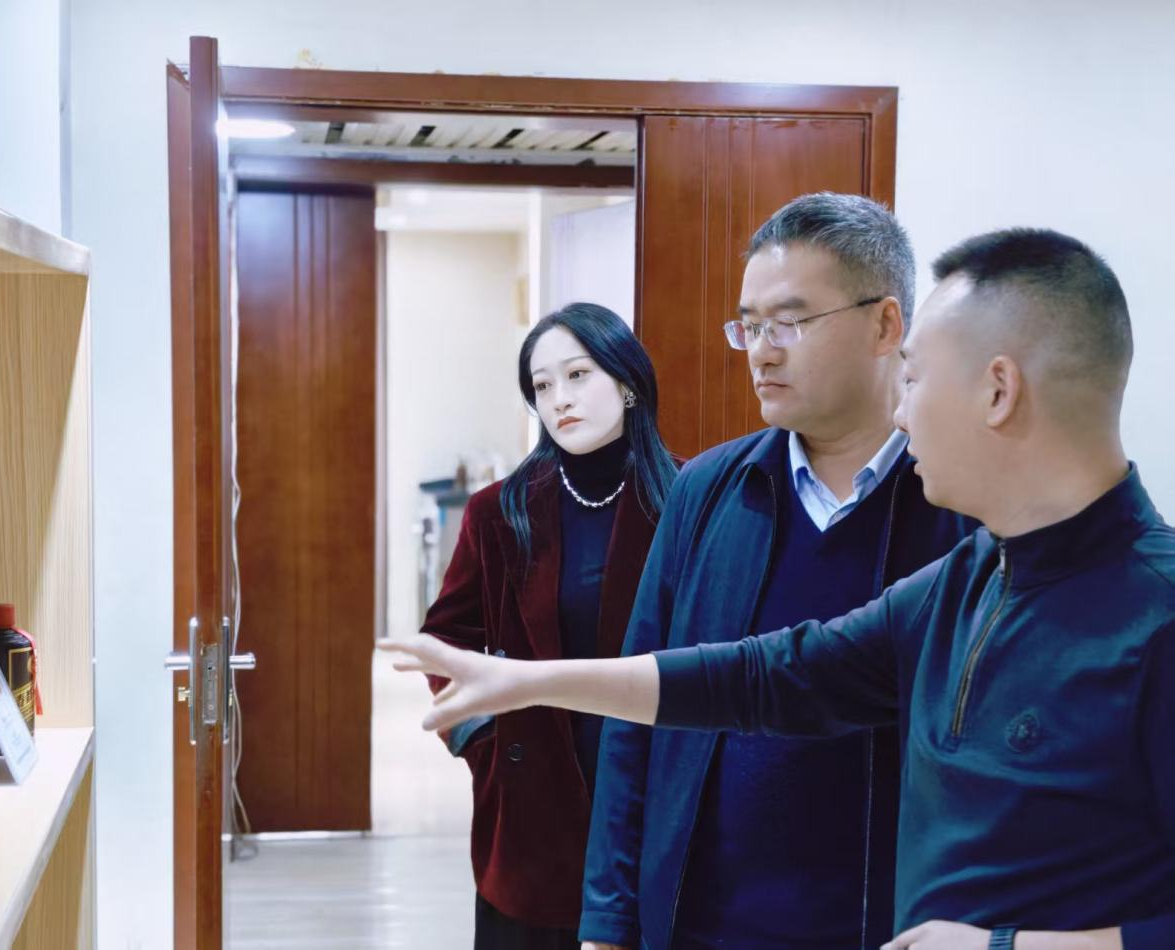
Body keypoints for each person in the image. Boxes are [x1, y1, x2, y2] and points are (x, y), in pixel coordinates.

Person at [384, 229, 1175, 950]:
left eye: (914, 379)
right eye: (749, 326)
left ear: (996, 391)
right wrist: (530, 683)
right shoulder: (967, 579)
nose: (902, 411)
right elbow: (767, 674)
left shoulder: (1151, 612)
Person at [581, 193, 972, 950]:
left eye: (788, 322)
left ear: (885, 325)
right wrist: (608, 921)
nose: (761, 352)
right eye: (749, 326)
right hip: (703, 924)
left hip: (890, 925)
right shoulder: (709, 489)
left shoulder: (959, 503)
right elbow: (637, 711)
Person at [417, 302, 679, 949]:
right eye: (542, 385)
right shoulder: (499, 512)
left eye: (577, 375)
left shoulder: (685, 499)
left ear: (626, 381)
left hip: (653, 785)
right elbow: (444, 642)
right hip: (533, 799)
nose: (559, 398)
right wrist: (482, 740)